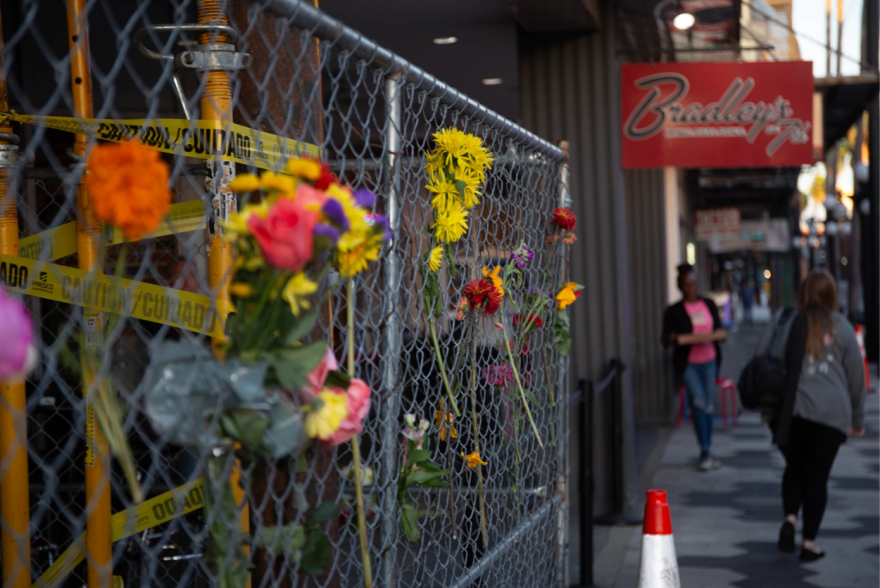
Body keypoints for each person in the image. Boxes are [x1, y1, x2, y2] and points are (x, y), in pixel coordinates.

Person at [766, 269, 866, 562]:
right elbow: (856, 379)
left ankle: (790, 518)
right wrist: (857, 420)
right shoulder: (842, 328)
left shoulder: (787, 321)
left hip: (793, 411)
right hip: (831, 415)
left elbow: (765, 355)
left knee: (794, 468)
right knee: (817, 478)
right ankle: (809, 543)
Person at [662, 264, 727, 471]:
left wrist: (717, 335)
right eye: (687, 284)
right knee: (698, 403)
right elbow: (665, 339)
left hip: (709, 360)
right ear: (681, 287)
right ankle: (705, 450)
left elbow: (719, 330)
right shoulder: (674, 311)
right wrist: (674, 338)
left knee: (708, 406)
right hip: (688, 363)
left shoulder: (708, 304)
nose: (691, 288)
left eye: (694, 283)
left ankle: (707, 449)